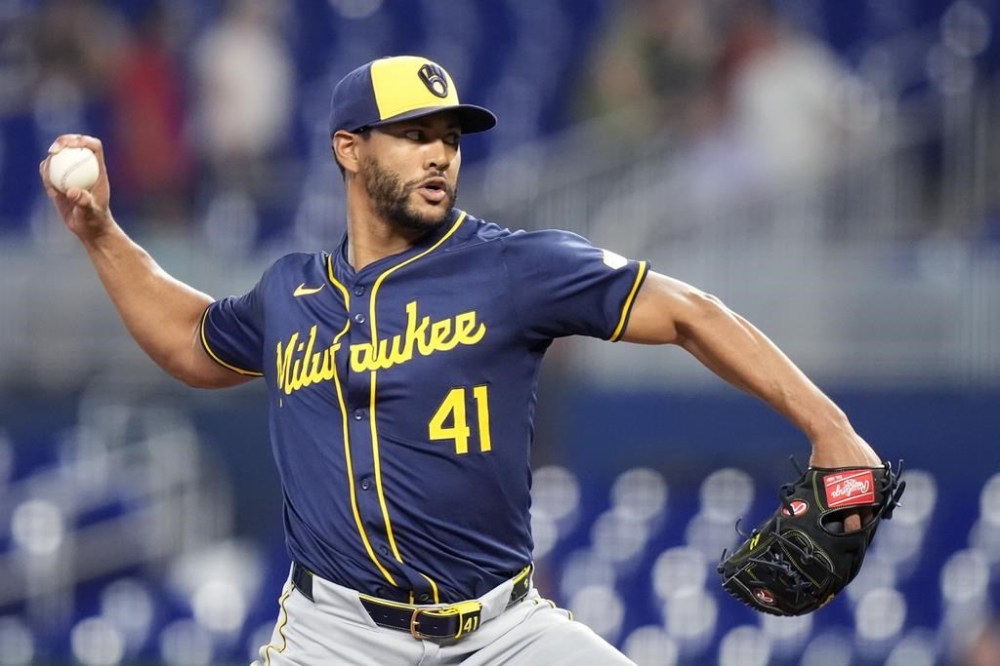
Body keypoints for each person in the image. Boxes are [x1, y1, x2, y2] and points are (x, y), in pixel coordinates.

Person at [40, 55, 882, 665]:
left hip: (503, 633)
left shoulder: (514, 266)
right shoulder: (290, 293)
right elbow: (193, 343)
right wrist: (101, 234)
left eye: (449, 136)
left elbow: (693, 314)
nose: (439, 153)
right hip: (334, 639)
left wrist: (829, 425)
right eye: (412, 134)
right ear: (349, 149)